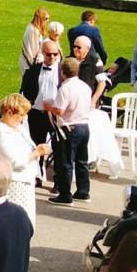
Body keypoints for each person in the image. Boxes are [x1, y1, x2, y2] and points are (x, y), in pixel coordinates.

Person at [0, 93, 48, 226]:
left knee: (26, 221)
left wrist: (38, 149)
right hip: (14, 183)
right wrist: (37, 153)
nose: (22, 119)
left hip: (25, 180)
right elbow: (15, 161)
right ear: (9, 112)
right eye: (20, 115)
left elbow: (29, 147)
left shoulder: (18, 128)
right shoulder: (2, 132)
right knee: (15, 222)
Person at [46, 56, 93, 205]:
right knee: (82, 161)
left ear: (62, 72)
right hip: (84, 126)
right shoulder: (85, 86)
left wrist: (48, 106)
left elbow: (59, 110)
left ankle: (65, 194)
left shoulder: (66, 88)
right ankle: (83, 191)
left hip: (69, 127)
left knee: (65, 161)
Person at [19, 39, 60, 185]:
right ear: (43, 53)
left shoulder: (62, 72)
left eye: (55, 54)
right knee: (36, 145)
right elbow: (23, 91)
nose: (53, 57)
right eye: (49, 54)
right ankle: (37, 175)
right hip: (36, 112)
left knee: (58, 146)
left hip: (55, 113)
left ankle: (58, 182)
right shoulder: (33, 71)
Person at [19, 8, 51, 75]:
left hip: (27, 61)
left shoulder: (33, 28)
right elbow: (32, 50)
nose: (48, 21)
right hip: (29, 63)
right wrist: (35, 66)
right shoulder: (33, 31)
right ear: (40, 18)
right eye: (46, 19)